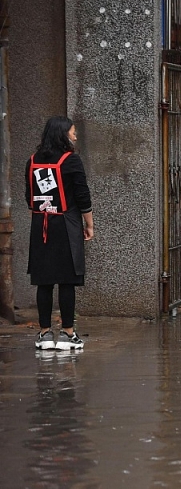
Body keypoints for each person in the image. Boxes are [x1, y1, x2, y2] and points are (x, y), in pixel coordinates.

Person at [26, 116, 93, 350]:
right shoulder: (71, 161)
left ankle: (44, 334)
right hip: (66, 225)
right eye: (73, 132)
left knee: (43, 282)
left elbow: (29, 197)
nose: (75, 136)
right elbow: (82, 195)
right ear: (63, 134)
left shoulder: (33, 160)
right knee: (66, 281)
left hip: (40, 225)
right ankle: (67, 334)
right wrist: (89, 225)